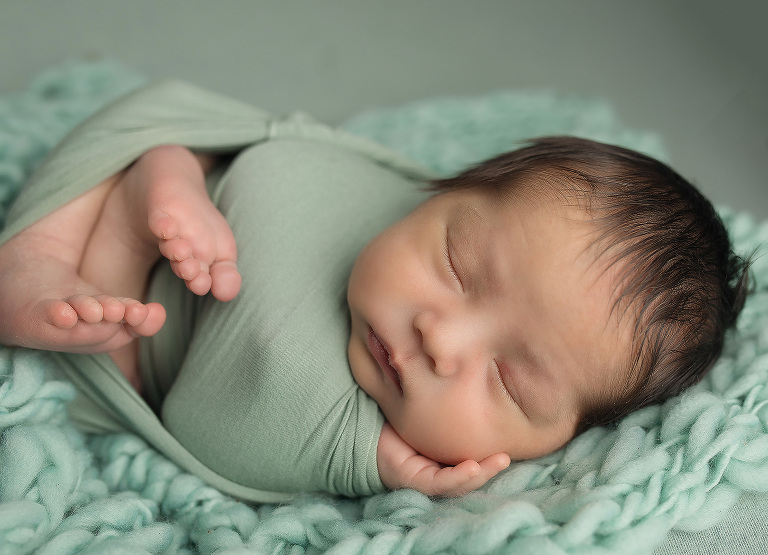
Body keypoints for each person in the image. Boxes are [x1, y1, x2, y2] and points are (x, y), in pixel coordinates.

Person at [0, 81, 750, 501]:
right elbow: (284, 138)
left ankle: (92, 247)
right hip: (220, 187)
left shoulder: (338, 416)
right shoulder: (378, 192)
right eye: (456, 264)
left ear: (560, 439)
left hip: (150, 340)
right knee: (161, 116)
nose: (440, 337)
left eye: (507, 379)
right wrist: (195, 165)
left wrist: (372, 460)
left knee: (100, 346)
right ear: (441, 193)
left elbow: (210, 427)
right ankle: (77, 229)